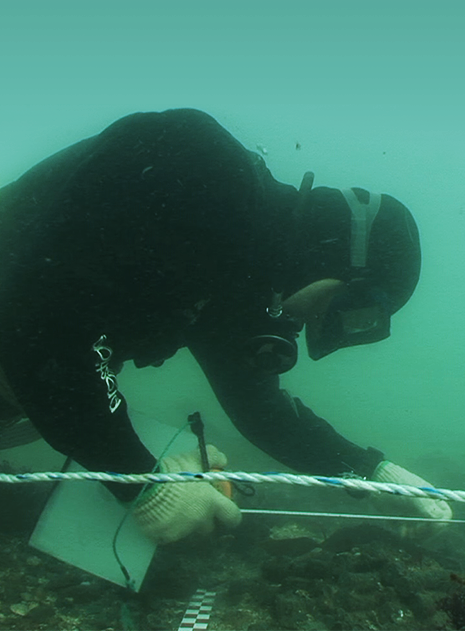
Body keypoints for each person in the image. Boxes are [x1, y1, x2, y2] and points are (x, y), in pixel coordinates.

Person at [0, 108, 451, 544]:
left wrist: (375, 475)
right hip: (18, 340)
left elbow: (261, 410)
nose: (317, 323)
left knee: (25, 417)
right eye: (344, 311)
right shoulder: (195, 164)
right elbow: (40, 325)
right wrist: (143, 482)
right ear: (341, 263)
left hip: (19, 375)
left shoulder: (241, 281)